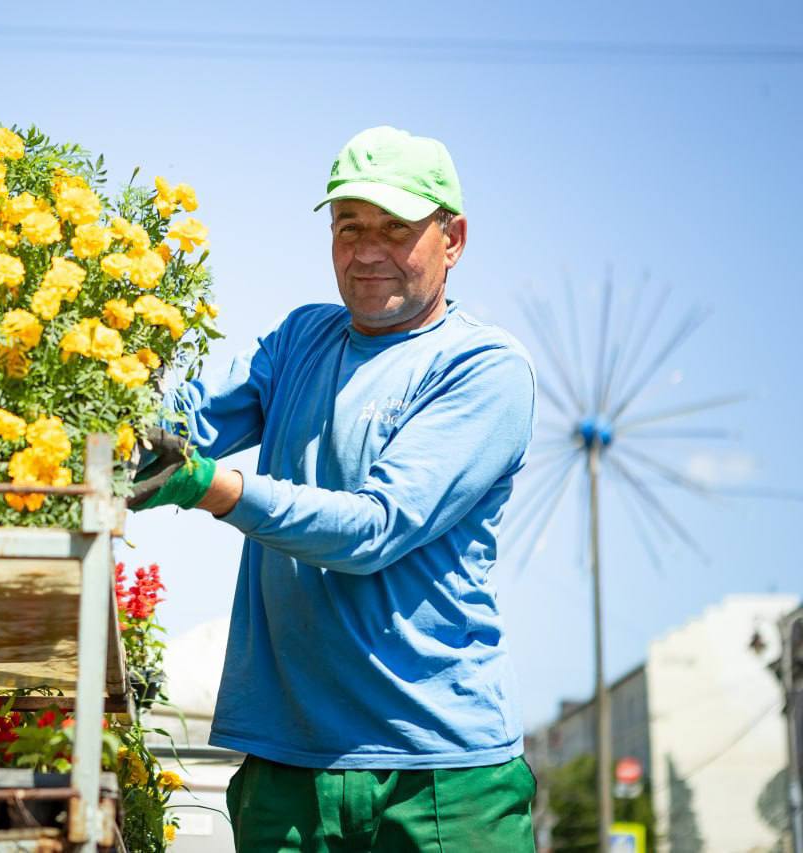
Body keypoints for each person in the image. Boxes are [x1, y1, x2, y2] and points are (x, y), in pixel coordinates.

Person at [130, 126, 538, 851]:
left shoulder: (482, 367)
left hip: (441, 773)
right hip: (287, 765)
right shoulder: (302, 339)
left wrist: (209, 487)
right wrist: (93, 395)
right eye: (350, 227)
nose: (368, 251)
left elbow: (374, 528)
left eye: (396, 229)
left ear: (453, 239)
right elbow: (182, 426)